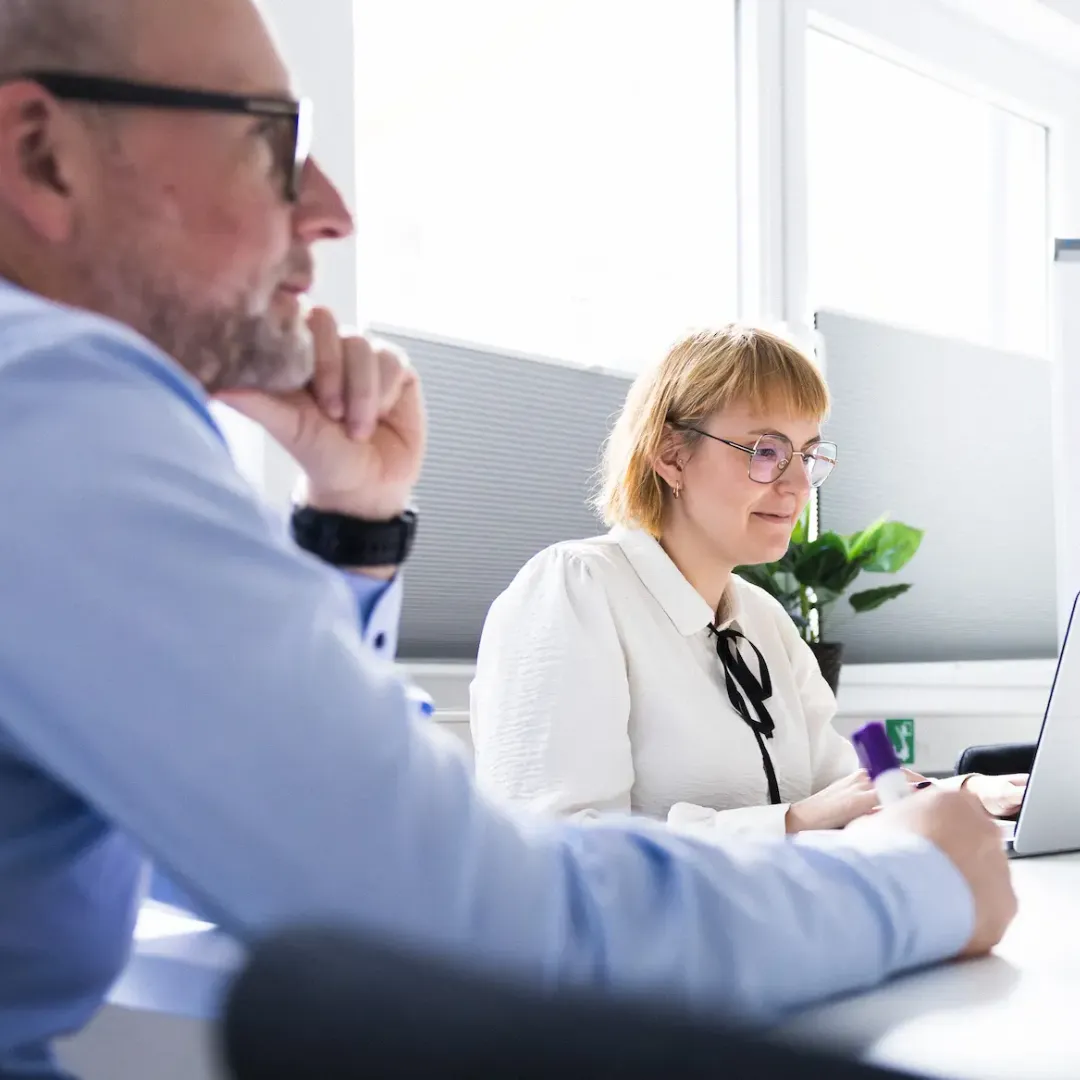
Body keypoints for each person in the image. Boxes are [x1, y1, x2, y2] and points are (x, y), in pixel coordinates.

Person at [0, 1, 1015, 1078]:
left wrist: (351, 531)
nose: (334, 211)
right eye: (268, 138)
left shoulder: (763, 619)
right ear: (43, 156)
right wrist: (916, 882)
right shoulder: (48, 397)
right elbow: (452, 906)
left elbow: (247, 814)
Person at [471, 327, 1026, 834]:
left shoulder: (762, 621)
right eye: (767, 452)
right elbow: (558, 847)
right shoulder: (575, 588)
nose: (797, 486)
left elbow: (846, 786)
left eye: (807, 456)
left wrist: (967, 790)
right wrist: (790, 822)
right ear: (670, 455)